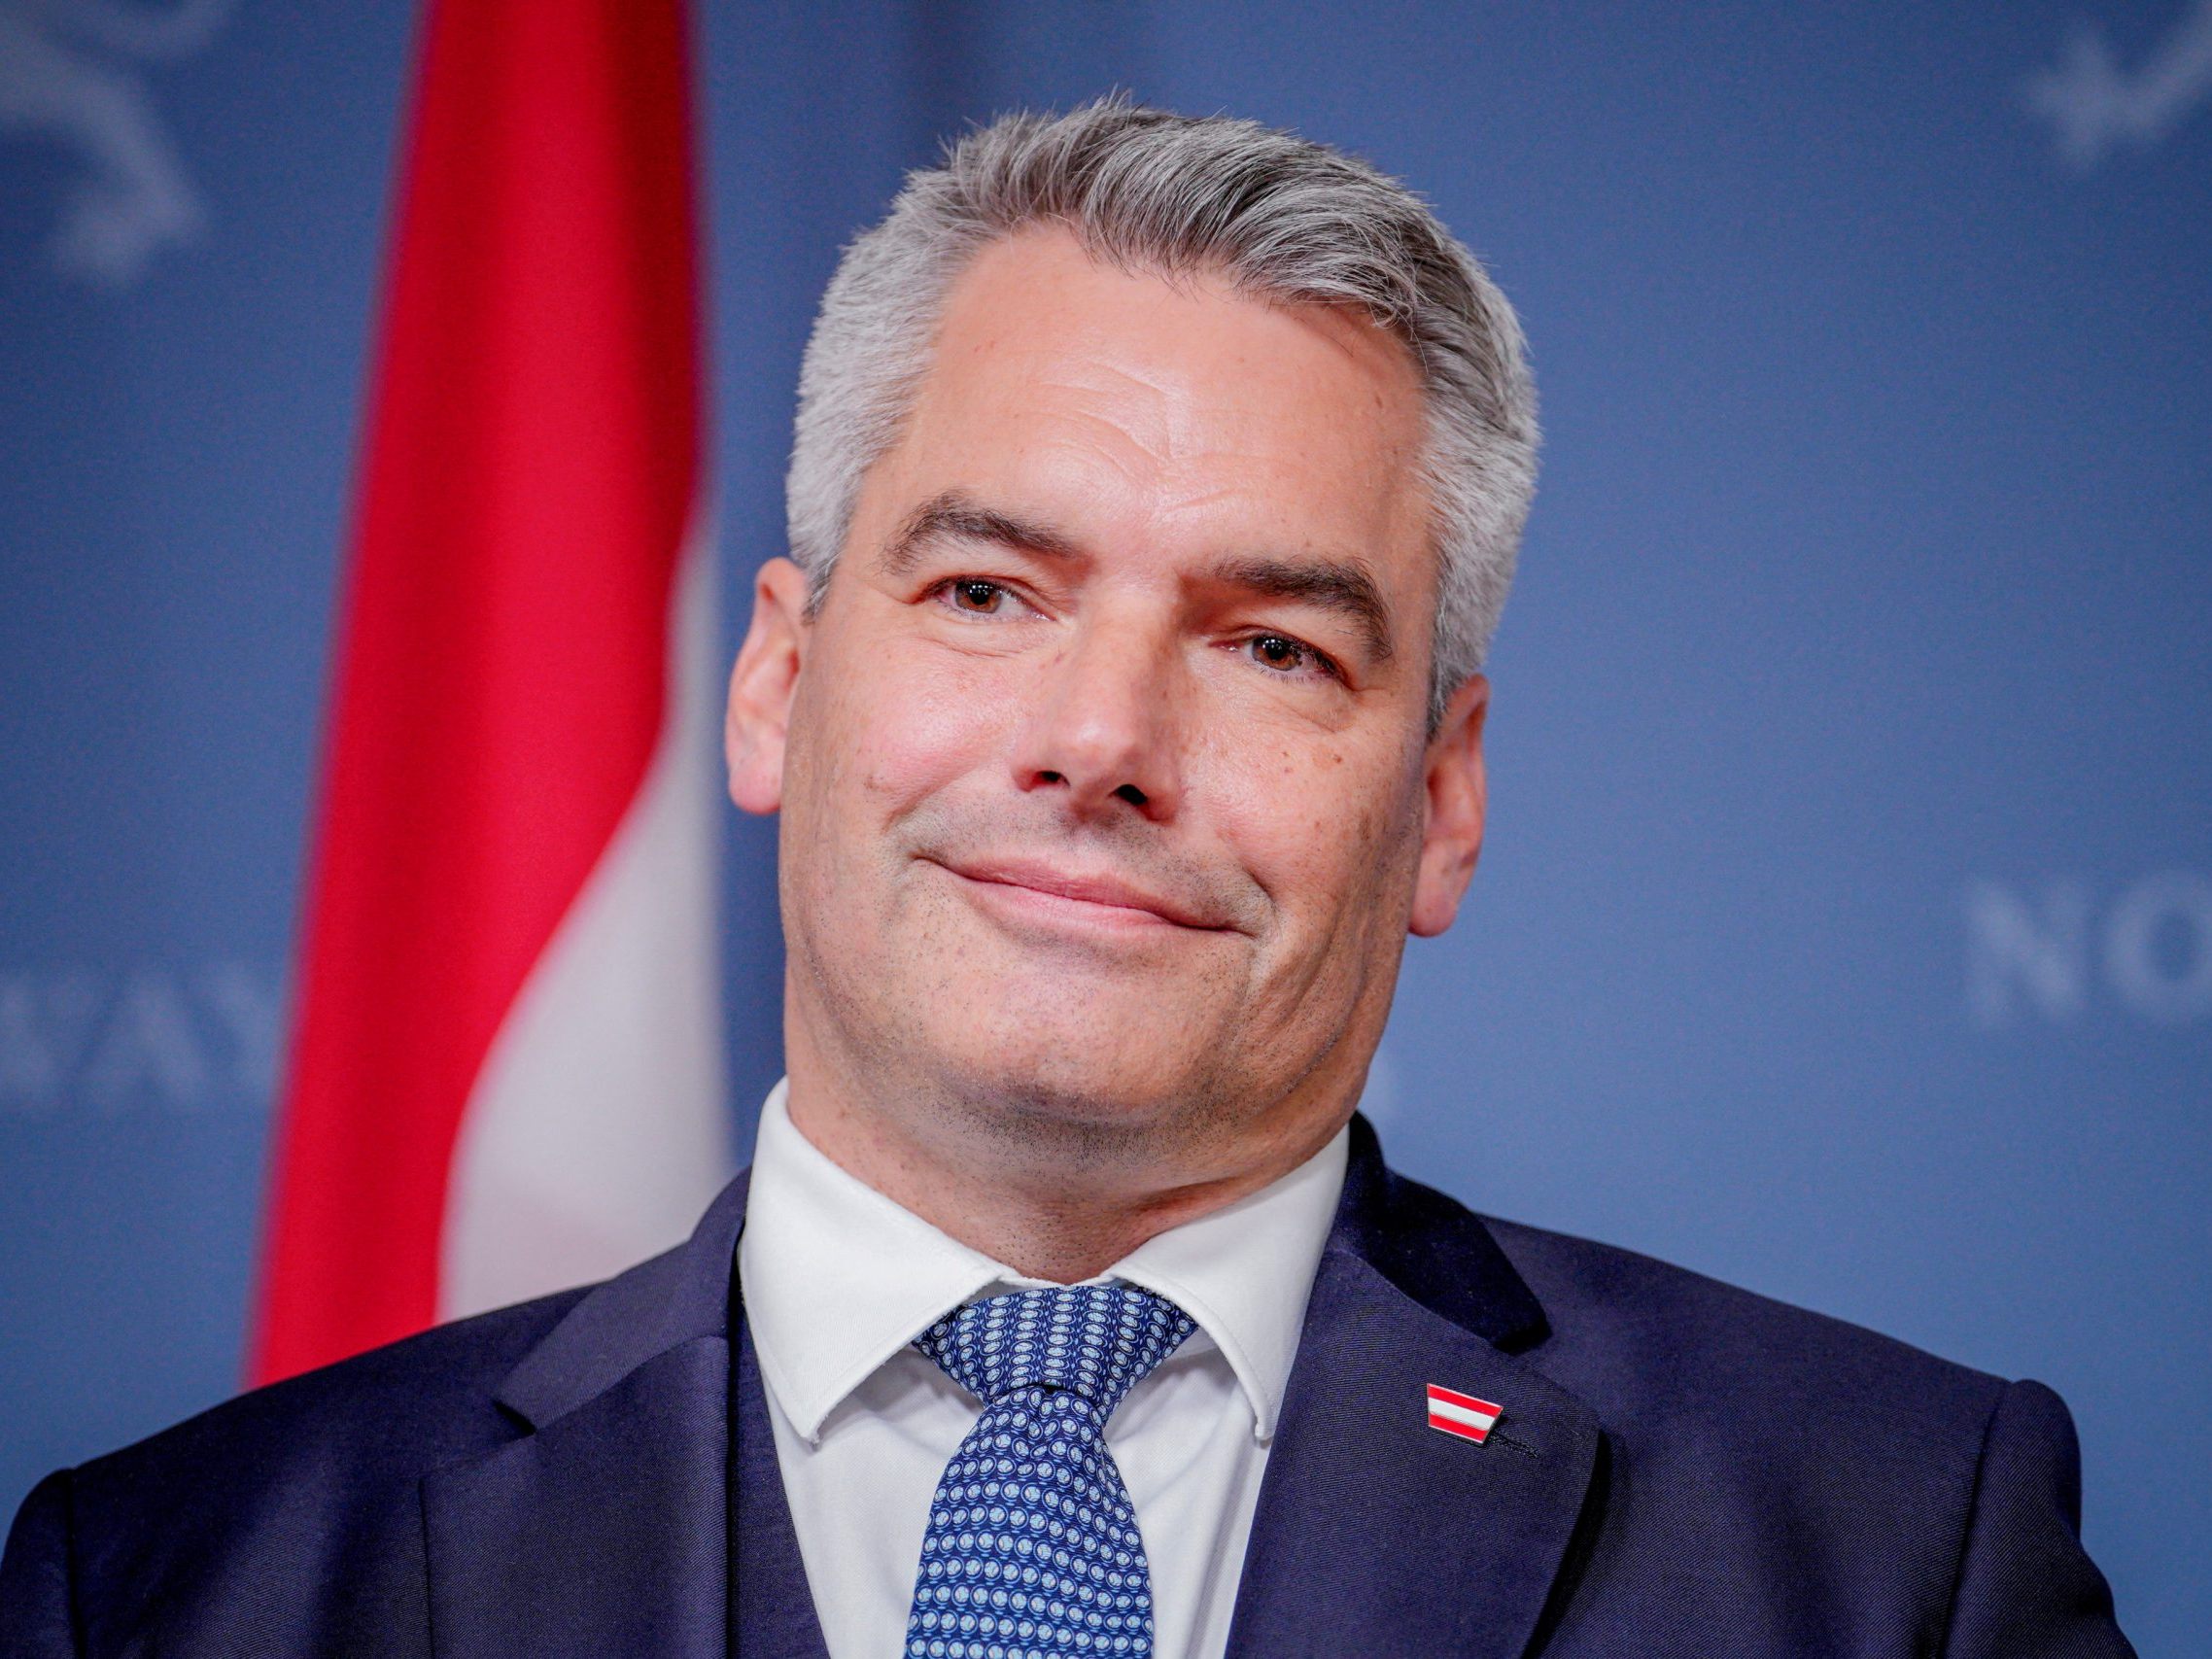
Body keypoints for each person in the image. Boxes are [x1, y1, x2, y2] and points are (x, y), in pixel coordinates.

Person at [0, 100, 2131, 1659]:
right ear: (775, 683)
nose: (1102, 739)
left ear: (1443, 797)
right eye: (988, 591)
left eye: (1272, 644)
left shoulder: (1885, 1551)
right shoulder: (179, 1590)